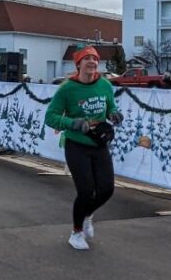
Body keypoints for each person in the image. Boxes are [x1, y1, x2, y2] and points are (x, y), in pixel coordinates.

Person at [45, 45, 123, 251]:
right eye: (87, 59)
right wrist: (73, 123)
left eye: (95, 59)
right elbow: (50, 117)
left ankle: (87, 215)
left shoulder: (105, 85)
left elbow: (110, 106)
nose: (92, 62)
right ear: (78, 64)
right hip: (77, 144)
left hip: (99, 143)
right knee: (86, 191)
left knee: (107, 190)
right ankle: (76, 232)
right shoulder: (67, 89)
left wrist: (114, 114)